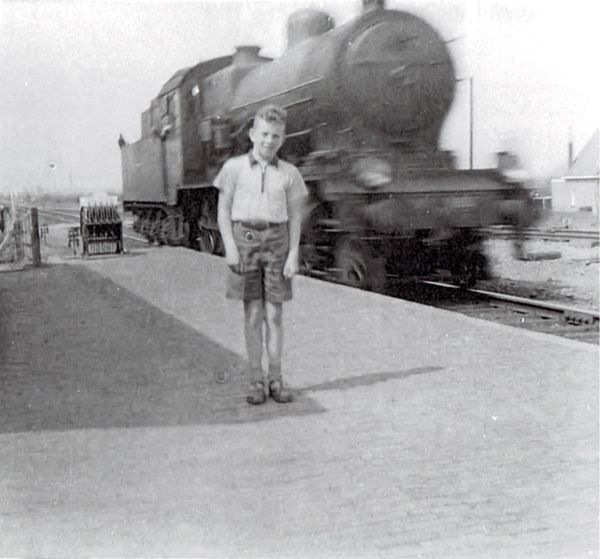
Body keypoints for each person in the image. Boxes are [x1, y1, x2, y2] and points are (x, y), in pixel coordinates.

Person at [215, 104, 308, 405]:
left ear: (283, 139)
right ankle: (256, 379)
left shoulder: (290, 174)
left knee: (275, 314)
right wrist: (229, 245)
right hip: (245, 240)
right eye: (265, 134)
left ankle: (276, 379)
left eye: (276, 136)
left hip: (278, 241)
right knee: (253, 313)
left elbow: (296, 217)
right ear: (253, 134)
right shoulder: (233, 168)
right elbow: (223, 211)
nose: (269, 141)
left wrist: (294, 253)